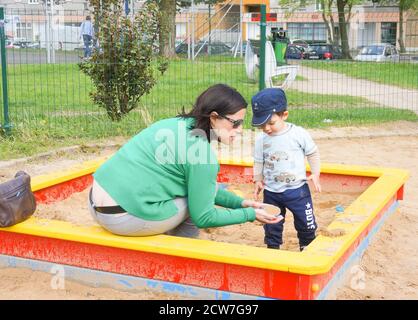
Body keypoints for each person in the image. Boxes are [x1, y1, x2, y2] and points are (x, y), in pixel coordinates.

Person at [88, 84, 281, 238]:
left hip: (95, 201)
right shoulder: (203, 157)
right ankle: (181, 251)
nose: (240, 130)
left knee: (205, 190)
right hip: (121, 218)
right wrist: (250, 214)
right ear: (214, 117)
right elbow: (204, 217)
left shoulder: (172, 124)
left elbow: (201, 188)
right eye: (235, 123)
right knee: (197, 203)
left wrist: (242, 203)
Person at [252, 88, 321, 251]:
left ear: (284, 115)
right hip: (271, 191)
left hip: (297, 190)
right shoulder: (261, 139)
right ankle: (273, 247)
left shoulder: (298, 134)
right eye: (262, 125)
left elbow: (312, 152)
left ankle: (306, 245)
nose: (267, 128)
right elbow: (259, 161)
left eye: (271, 123)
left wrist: (316, 173)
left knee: (306, 222)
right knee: (271, 222)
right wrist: (257, 179)